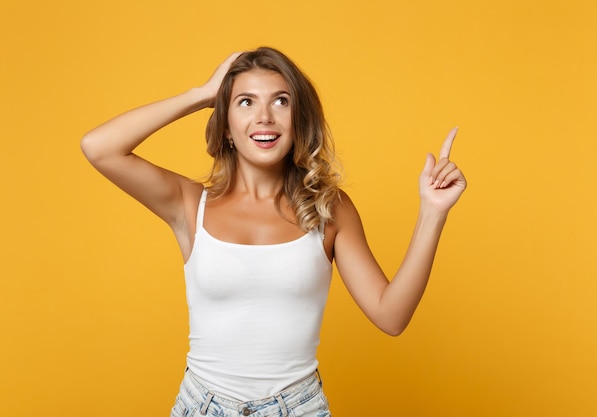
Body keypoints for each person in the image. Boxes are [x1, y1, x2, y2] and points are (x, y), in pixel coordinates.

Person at [81, 46, 466, 417]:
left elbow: (391, 316)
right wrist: (202, 95)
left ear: (298, 122)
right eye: (245, 102)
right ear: (227, 126)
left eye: (281, 101)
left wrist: (432, 214)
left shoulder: (328, 209)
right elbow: (99, 147)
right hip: (202, 407)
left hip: (299, 407)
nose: (264, 116)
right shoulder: (189, 204)